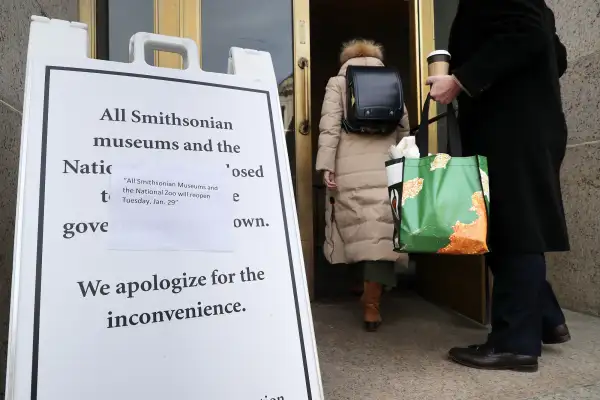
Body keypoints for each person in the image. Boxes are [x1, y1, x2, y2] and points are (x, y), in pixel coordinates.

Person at [426, 0, 571, 372]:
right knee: (512, 225)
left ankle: (515, 344)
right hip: (524, 127)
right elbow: (556, 55)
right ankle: (546, 319)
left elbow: (527, 35)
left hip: (513, 129)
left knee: (515, 229)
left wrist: (460, 80)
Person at [315, 39, 409, 332]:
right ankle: (373, 306)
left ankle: (361, 289)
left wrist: (326, 164)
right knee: (381, 231)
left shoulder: (337, 82)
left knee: (355, 226)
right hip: (385, 165)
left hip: (350, 165)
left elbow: (330, 127)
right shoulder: (391, 79)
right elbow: (404, 126)